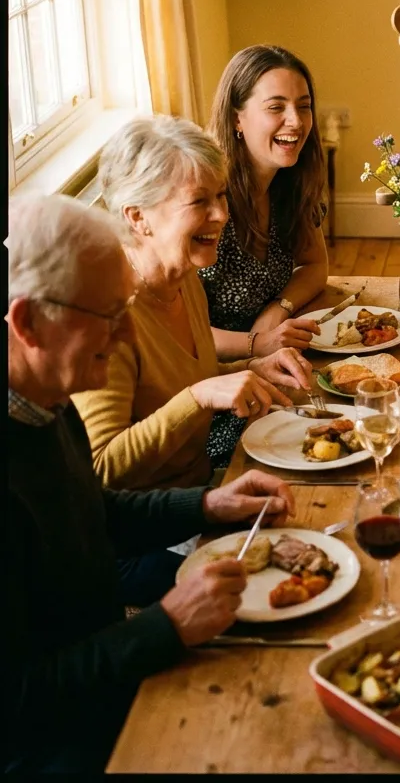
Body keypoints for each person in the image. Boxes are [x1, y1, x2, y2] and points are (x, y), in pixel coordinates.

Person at [6, 194, 298, 773]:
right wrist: (164, 627)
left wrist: (207, 505)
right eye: (108, 317)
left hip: (106, 670)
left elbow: (91, 513)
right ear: (29, 322)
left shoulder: (44, 398)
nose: (124, 339)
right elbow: (18, 701)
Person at [71, 116, 313, 493]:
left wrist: (252, 367)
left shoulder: (184, 278)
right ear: (138, 217)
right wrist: (199, 399)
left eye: (220, 195)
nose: (221, 214)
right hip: (158, 526)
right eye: (199, 201)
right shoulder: (106, 314)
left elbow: (176, 381)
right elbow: (101, 468)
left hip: (207, 486)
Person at [199, 44, 330, 468]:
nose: (296, 121)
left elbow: (316, 265)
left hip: (271, 364)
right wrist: (256, 343)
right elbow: (183, 336)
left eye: (304, 106)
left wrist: (279, 308)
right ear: (237, 118)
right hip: (214, 389)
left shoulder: (287, 181)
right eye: (277, 107)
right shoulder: (208, 200)